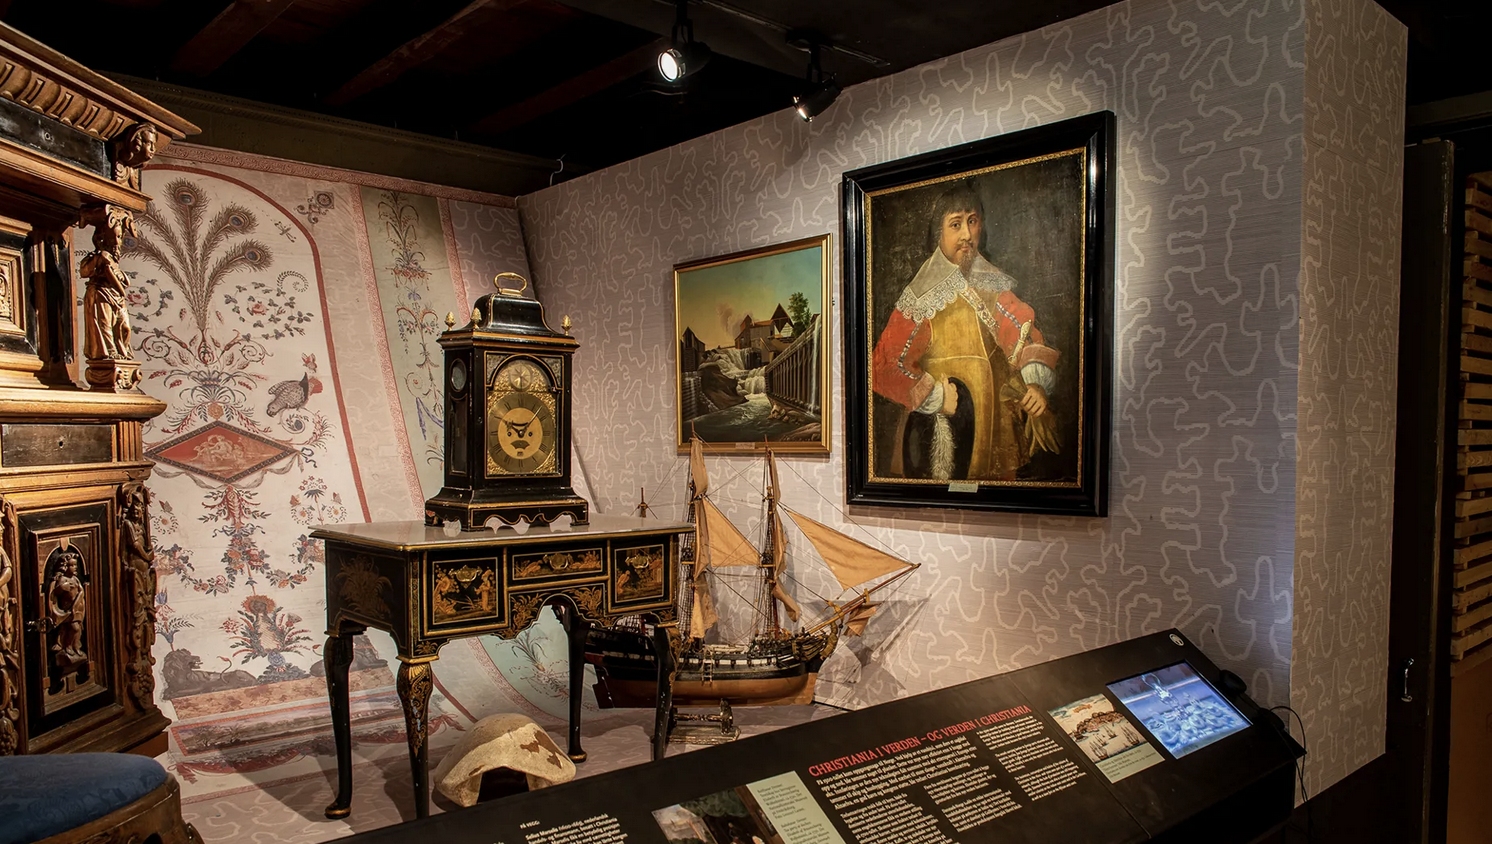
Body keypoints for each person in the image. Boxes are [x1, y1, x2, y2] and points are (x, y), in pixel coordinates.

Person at [871, 182, 1060, 481]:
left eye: (972, 221)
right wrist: (934, 396)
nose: (967, 235)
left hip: (996, 427)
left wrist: (1035, 383)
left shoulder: (991, 282)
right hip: (946, 432)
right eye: (956, 224)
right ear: (939, 232)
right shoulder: (922, 294)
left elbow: (1022, 330)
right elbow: (883, 366)